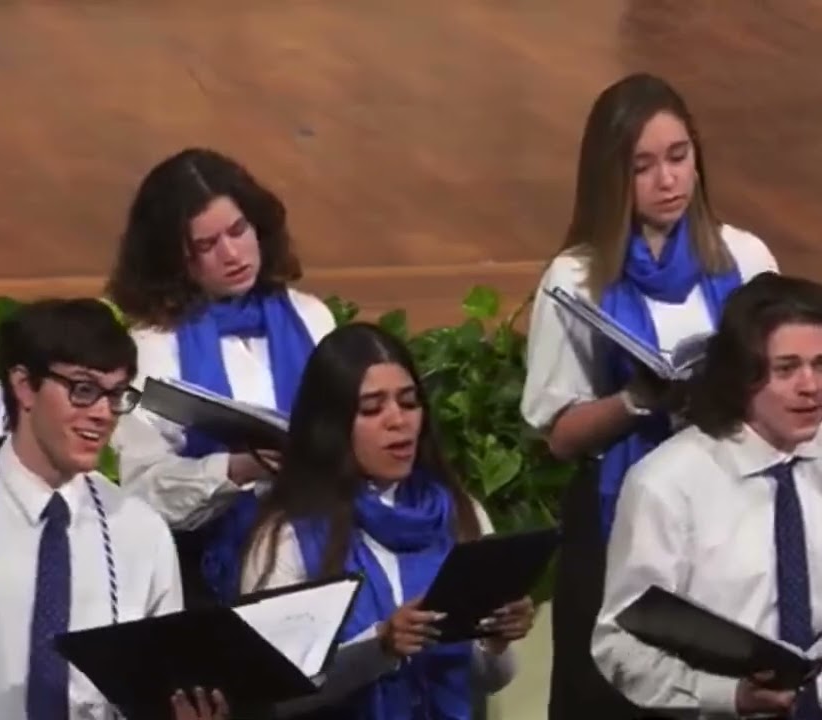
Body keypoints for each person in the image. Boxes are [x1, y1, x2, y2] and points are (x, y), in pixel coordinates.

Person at [520, 73, 779, 717]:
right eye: (643, 166)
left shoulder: (744, 259)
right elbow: (559, 435)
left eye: (678, 156)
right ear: (611, 177)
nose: (668, 180)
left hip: (730, 515)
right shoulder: (576, 277)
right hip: (621, 520)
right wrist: (638, 400)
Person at [0, 298, 226, 719]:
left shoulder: (142, 534)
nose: (102, 414)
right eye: (83, 390)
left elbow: (159, 688)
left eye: (115, 395)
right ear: (23, 386)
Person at [241, 323, 534, 718]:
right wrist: (379, 647)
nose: (398, 421)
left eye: (409, 403)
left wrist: (495, 640)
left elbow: (489, 678)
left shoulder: (460, 514)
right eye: (372, 408)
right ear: (333, 425)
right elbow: (272, 691)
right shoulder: (289, 533)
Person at [107, 147, 336, 606]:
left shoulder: (312, 319)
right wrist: (237, 469)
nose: (232, 254)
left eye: (238, 230)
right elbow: (141, 493)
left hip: (328, 548)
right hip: (211, 575)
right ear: (174, 260)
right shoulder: (154, 347)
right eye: (207, 246)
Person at [593, 272, 822, 717]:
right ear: (742, 375)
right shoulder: (667, 485)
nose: (810, 386)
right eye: (787, 368)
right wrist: (727, 694)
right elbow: (618, 643)